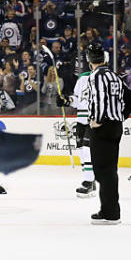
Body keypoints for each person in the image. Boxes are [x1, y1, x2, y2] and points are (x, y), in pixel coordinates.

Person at [84, 43, 131, 224]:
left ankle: (110, 213)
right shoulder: (114, 75)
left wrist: (98, 120)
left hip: (102, 128)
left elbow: (99, 100)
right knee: (110, 170)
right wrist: (121, 117)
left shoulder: (95, 76)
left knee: (103, 172)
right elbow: (130, 98)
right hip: (115, 127)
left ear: (89, 60)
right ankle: (110, 210)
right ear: (104, 58)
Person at [58, 65, 95, 197]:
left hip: (94, 120)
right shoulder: (83, 77)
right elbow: (76, 99)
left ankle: (89, 181)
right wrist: (66, 101)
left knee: (87, 150)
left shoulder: (105, 77)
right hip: (81, 120)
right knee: (81, 151)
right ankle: (91, 179)